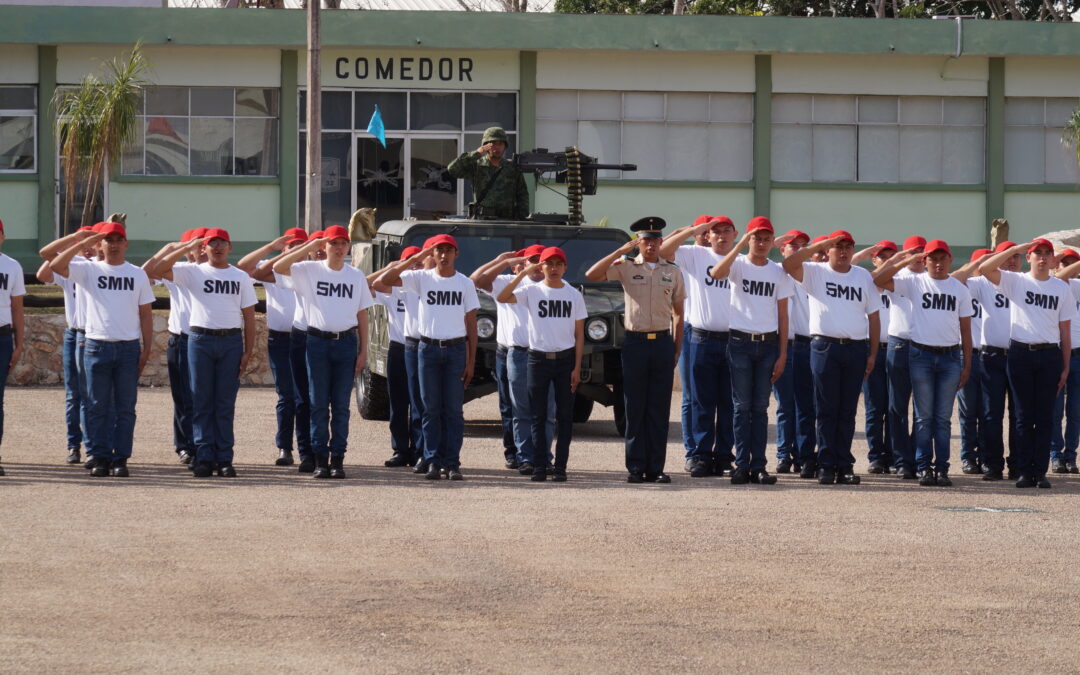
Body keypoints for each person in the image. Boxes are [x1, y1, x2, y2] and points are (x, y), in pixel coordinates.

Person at [586, 217, 686, 484]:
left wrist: (676, 349)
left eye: (655, 240)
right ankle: (635, 466)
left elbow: (679, 314)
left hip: (662, 342)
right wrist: (619, 252)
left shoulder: (673, 272)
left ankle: (656, 467)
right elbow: (592, 275)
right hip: (635, 343)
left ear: (661, 242)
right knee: (634, 406)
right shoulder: (626, 267)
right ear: (638, 243)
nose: (651, 245)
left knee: (658, 407)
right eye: (646, 240)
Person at [50, 223, 153, 478]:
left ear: (126, 244)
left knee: (125, 407)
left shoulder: (137, 274)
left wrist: (146, 349)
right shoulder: (88, 269)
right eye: (108, 240)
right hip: (95, 345)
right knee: (96, 405)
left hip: (128, 347)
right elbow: (54, 265)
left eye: (119, 239)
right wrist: (81, 240)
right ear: (100, 244)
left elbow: (146, 314)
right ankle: (99, 456)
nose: (114, 244)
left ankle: (120, 458)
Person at [156, 228, 257, 478]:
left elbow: (249, 316)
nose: (218, 247)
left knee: (224, 403)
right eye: (212, 243)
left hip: (230, 340)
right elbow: (157, 269)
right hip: (199, 339)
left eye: (222, 243)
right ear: (204, 247)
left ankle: (224, 458)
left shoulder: (240, 276)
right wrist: (186, 246)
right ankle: (203, 456)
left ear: (230, 247)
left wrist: (248, 351)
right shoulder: (192, 272)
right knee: (200, 400)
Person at [274, 225, 373, 479]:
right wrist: (310, 246)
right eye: (333, 244)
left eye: (343, 244)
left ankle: (337, 458)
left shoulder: (355, 276)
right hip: (316, 342)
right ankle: (320, 459)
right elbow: (278, 268)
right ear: (325, 246)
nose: (338, 249)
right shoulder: (309, 270)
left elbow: (362, 314)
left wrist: (364, 351)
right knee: (318, 404)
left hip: (346, 343)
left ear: (348, 248)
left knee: (340, 405)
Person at [782, 231, 881, 486]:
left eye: (848, 246)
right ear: (829, 250)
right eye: (838, 247)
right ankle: (825, 464)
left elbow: (873, 316)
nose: (844, 251)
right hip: (825, 347)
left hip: (856, 348)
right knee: (826, 409)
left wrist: (872, 353)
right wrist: (819, 244)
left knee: (847, 410)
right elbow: (789, 264)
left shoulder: (862, 276)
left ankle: (844, 464)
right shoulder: (817, 272)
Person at [378, 234, 479, 481]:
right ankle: (433, 460)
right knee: (430, 409)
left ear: (457, 254)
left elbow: (471, 324)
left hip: (455, 350)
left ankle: (452, 462)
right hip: (428, 349)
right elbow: (386, 280)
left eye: (448, 250)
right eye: (439, 251)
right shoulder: (421, 278)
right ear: (433, 255)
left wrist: (471, 361)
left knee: (453, 410)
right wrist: (417, 257)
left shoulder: (464, 283)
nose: (444, 255)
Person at [874, 240, 972, 487]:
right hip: (921, 355)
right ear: (926, 261)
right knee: (923, 416)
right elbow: (877, 280)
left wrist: (966, 364)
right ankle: (922, 466)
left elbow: (966, 330)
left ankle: (942, 468)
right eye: (932, 259)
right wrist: (905, 259)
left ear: (950, 260)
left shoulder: (959, 289)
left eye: (943, 259)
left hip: (949, 356)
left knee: (941, 418)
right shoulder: (914, 282)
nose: (938, 264)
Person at [979, 239, 1075, 488]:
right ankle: (1023, 470)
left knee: (1045, 416)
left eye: (1047, 253)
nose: (1042, 258)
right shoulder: (1017, 281)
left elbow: (1065, 331)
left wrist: (1065, 366)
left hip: (1049, 354)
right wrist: (1013, 250)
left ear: (1053, 260)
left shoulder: (1061, 288)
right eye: (1037, 253)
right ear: (1029, 257)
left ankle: (1040, 471)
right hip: (1021, 352)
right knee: (1022, 416)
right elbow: (985, 270)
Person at [709, 217, 792, 485]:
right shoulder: (738, 264)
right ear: (749, 239)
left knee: (760, 407)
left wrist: (782, 354)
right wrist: (740, 245)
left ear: (772, 241)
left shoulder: (777, 271)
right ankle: (741, 464)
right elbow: (717, 273)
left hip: (768, 344)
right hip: (740, 342)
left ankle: (759, 466)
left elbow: (783, 315)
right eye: (757, 238)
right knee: (741, 406)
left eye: (767, 238)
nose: (762, 243)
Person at [496, 246, 586, 481]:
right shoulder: (532, 291)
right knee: (537, 414)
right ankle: (538, 465)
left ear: (565, 267)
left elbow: (579, 334)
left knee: (564, 416)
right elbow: (503, 297)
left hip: (565, 359)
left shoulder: (574, 294)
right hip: (537, 359)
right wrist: (523, 273)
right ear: (541, 267)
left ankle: (560, 468)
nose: (553, 269)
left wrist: (577, 367)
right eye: (548, 264)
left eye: (558, 264)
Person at [658, 215, 735, 478]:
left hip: (733, 338)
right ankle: (699, 454)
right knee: (699, 400)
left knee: (728, 402)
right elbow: (663, 250)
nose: (720, 236)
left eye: (727, 231)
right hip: (700, 335)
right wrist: (691, 229)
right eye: (715, 231)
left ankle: (724, 456)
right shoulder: (694, 255)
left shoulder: (741, 259)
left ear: (735, 235)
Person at [470, 244, 554, 474]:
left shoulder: (551, 285)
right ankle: (516, 453)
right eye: (532, 260)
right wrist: (504, 260)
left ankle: (539, 455)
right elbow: (476, 280)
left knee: (544, 409)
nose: (537, 264)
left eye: (541, 259)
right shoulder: (507, 280)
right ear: (523, 263)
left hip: (541, 353)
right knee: (513, 407)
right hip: (511, 350)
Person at [237, 228, 312, 468]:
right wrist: (272, 247)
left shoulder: (311, 270)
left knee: (308, 397)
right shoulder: (272, 269)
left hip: (308, 339)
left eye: (302, 245)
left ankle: (307, 449)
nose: (297, 250)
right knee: (286, 396)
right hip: (281, 339)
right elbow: (245, 268)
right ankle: (284, 447)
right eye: (292, 246)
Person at [142, 227, 207, 466]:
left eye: (203, 245)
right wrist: (171, 248)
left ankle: (203, 445)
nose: (199, 251)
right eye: (194, 246)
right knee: (183, 398)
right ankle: (185, 445)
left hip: (207, 341)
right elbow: (145, 272)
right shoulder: (176, 271)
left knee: (204, 397)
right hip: (182, 340)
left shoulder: (216, 272)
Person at [963, 240, 1022, 481]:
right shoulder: (983, 283)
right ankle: (992, 463)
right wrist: (978, 263)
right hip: (991, 356)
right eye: (1005, 255)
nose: (1011, 260)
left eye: (1016, 256)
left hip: (1020, 355)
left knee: (1019, 414)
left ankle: (1018, 464)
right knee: (990, 413)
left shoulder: (1026, 281)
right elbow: (956, 280)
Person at [36, 225, 95, 465]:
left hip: (98, 335)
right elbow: (42, 273)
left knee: (97, 396)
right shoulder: (70, 267)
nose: (89, 248)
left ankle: (96, 445)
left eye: (93, 242)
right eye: (85, 242)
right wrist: (73, 242)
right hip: (75, 334)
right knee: (74, 395)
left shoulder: (102, 268)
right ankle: (74, 444)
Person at [374, 246, 424, 469]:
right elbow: (369, 284)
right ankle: (400, 449)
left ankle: (419, 449)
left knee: (419, 403)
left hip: (421, 348)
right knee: (398, 402)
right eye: (409, 262)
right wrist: (391, 267)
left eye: (418, 262)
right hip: (398, 347)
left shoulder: (424, 285)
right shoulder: (394, 289)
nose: (414, 266)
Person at [772, 229, 817, 477]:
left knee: (806, 405)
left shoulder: (811, 274)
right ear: (782, 249)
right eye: (792, 245)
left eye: (802, 245)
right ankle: (783, 454)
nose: (798, 249)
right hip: (783, 345)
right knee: (785, 404)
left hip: (807, 344)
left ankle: (803, 454)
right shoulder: (776, 271)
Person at [883, 235, 926, 478]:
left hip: (924, 345)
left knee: (922, 408)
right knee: (897, 407)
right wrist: (899, 261)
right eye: (913, 252)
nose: (918, 256)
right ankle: (901, 460)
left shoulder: (932, 279)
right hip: (899, 345)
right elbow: (876, 280)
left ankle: (918, 458)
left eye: (921, 251)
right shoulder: (896, 277)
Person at [852, 240, 896, 475]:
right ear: (874, 260)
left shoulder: (901, 282)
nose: (888, 259)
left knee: (895, 407)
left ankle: (893, 454)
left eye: (892, 255)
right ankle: (876, 456)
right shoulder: (867, 280)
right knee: (874, 407)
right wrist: (860, 254)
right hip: (873, 349)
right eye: (882, 256)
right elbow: (846, 267)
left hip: (897, 348)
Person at [951, 248, 990, 474]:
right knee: (968, 411)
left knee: (988, 411)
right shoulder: (964, 286)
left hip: (991, 354)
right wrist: (975, 266)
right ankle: (968, 456)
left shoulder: (1000, 286)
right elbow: (954, 277)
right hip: (968, 354)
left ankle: (985, 456)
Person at [447, 127, 529, 221]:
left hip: (507, 221)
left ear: (505, 146)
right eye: (493, 143)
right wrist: (476, 153)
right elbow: (452, 169)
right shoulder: (477, 165)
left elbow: (522, 194)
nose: (497, 147)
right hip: (483, 221)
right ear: (485, 145)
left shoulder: (512, 168)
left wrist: (522, 219)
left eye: (500, 143)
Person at [1052, 249, 1080, 474]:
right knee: (1055, 409)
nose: (1071, 268)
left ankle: (1071, 455)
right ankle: (1055, 454)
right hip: (1058, 354)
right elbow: (1060, 278)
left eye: (1074, 264)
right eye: (1065, 263)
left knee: (1075, 411)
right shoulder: (1055, 284)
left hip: (1079, 355)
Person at [0, 218, 24, 477]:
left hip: (2, 338)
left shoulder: (12, 266)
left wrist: (20, 344)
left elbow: (17, 307)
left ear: (3, 236)